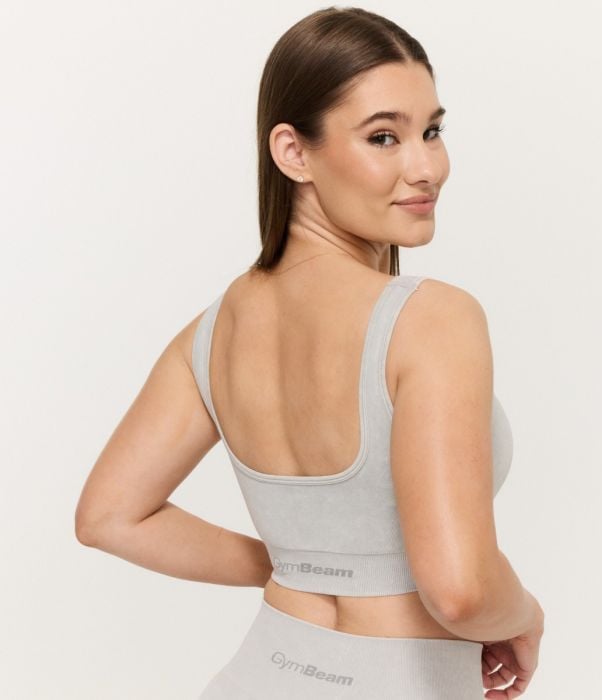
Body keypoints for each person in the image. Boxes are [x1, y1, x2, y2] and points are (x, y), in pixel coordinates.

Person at [74, 6, 544, 698]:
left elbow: (111, 516)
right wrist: (526, 615)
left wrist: (295, 565)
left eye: (432, 131)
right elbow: (462, 591)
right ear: (293, 152)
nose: (426, 167)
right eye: (383, 137)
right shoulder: (431, 318)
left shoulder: (213, 331)